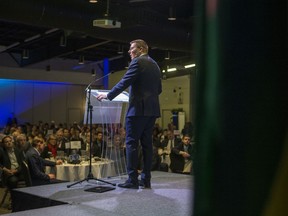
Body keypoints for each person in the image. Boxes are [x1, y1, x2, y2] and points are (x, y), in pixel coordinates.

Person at [96, 39, 162, 189]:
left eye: (131, 49)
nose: (129, 52)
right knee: (147, 145)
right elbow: (159, 89)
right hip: (152, 111)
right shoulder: (155, 65)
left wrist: (109, 95)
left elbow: (124, 82)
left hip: (137, 111)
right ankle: (146, 180)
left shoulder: (138, 62)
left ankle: (132, 180)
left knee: (131, 143)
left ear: (140, 49)